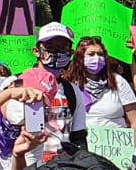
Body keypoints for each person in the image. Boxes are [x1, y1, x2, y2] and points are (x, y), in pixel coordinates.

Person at [17, 23, 90, 157]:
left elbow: (78, 136)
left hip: (61, 166)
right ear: (36, 51)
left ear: (71, 53)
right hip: (26, 161)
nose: (57, 52)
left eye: (63, 48)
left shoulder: (72, 91)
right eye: (50, 47)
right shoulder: (18, 84)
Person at [65, 36, 136, 131]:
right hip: (81, 142)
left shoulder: (117, 81)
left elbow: (135, 120)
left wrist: (134, 142)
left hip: (117, 143)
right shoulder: (69, 84)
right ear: (80, 58)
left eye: (100, 54)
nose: (96, 58)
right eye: (91, 54)